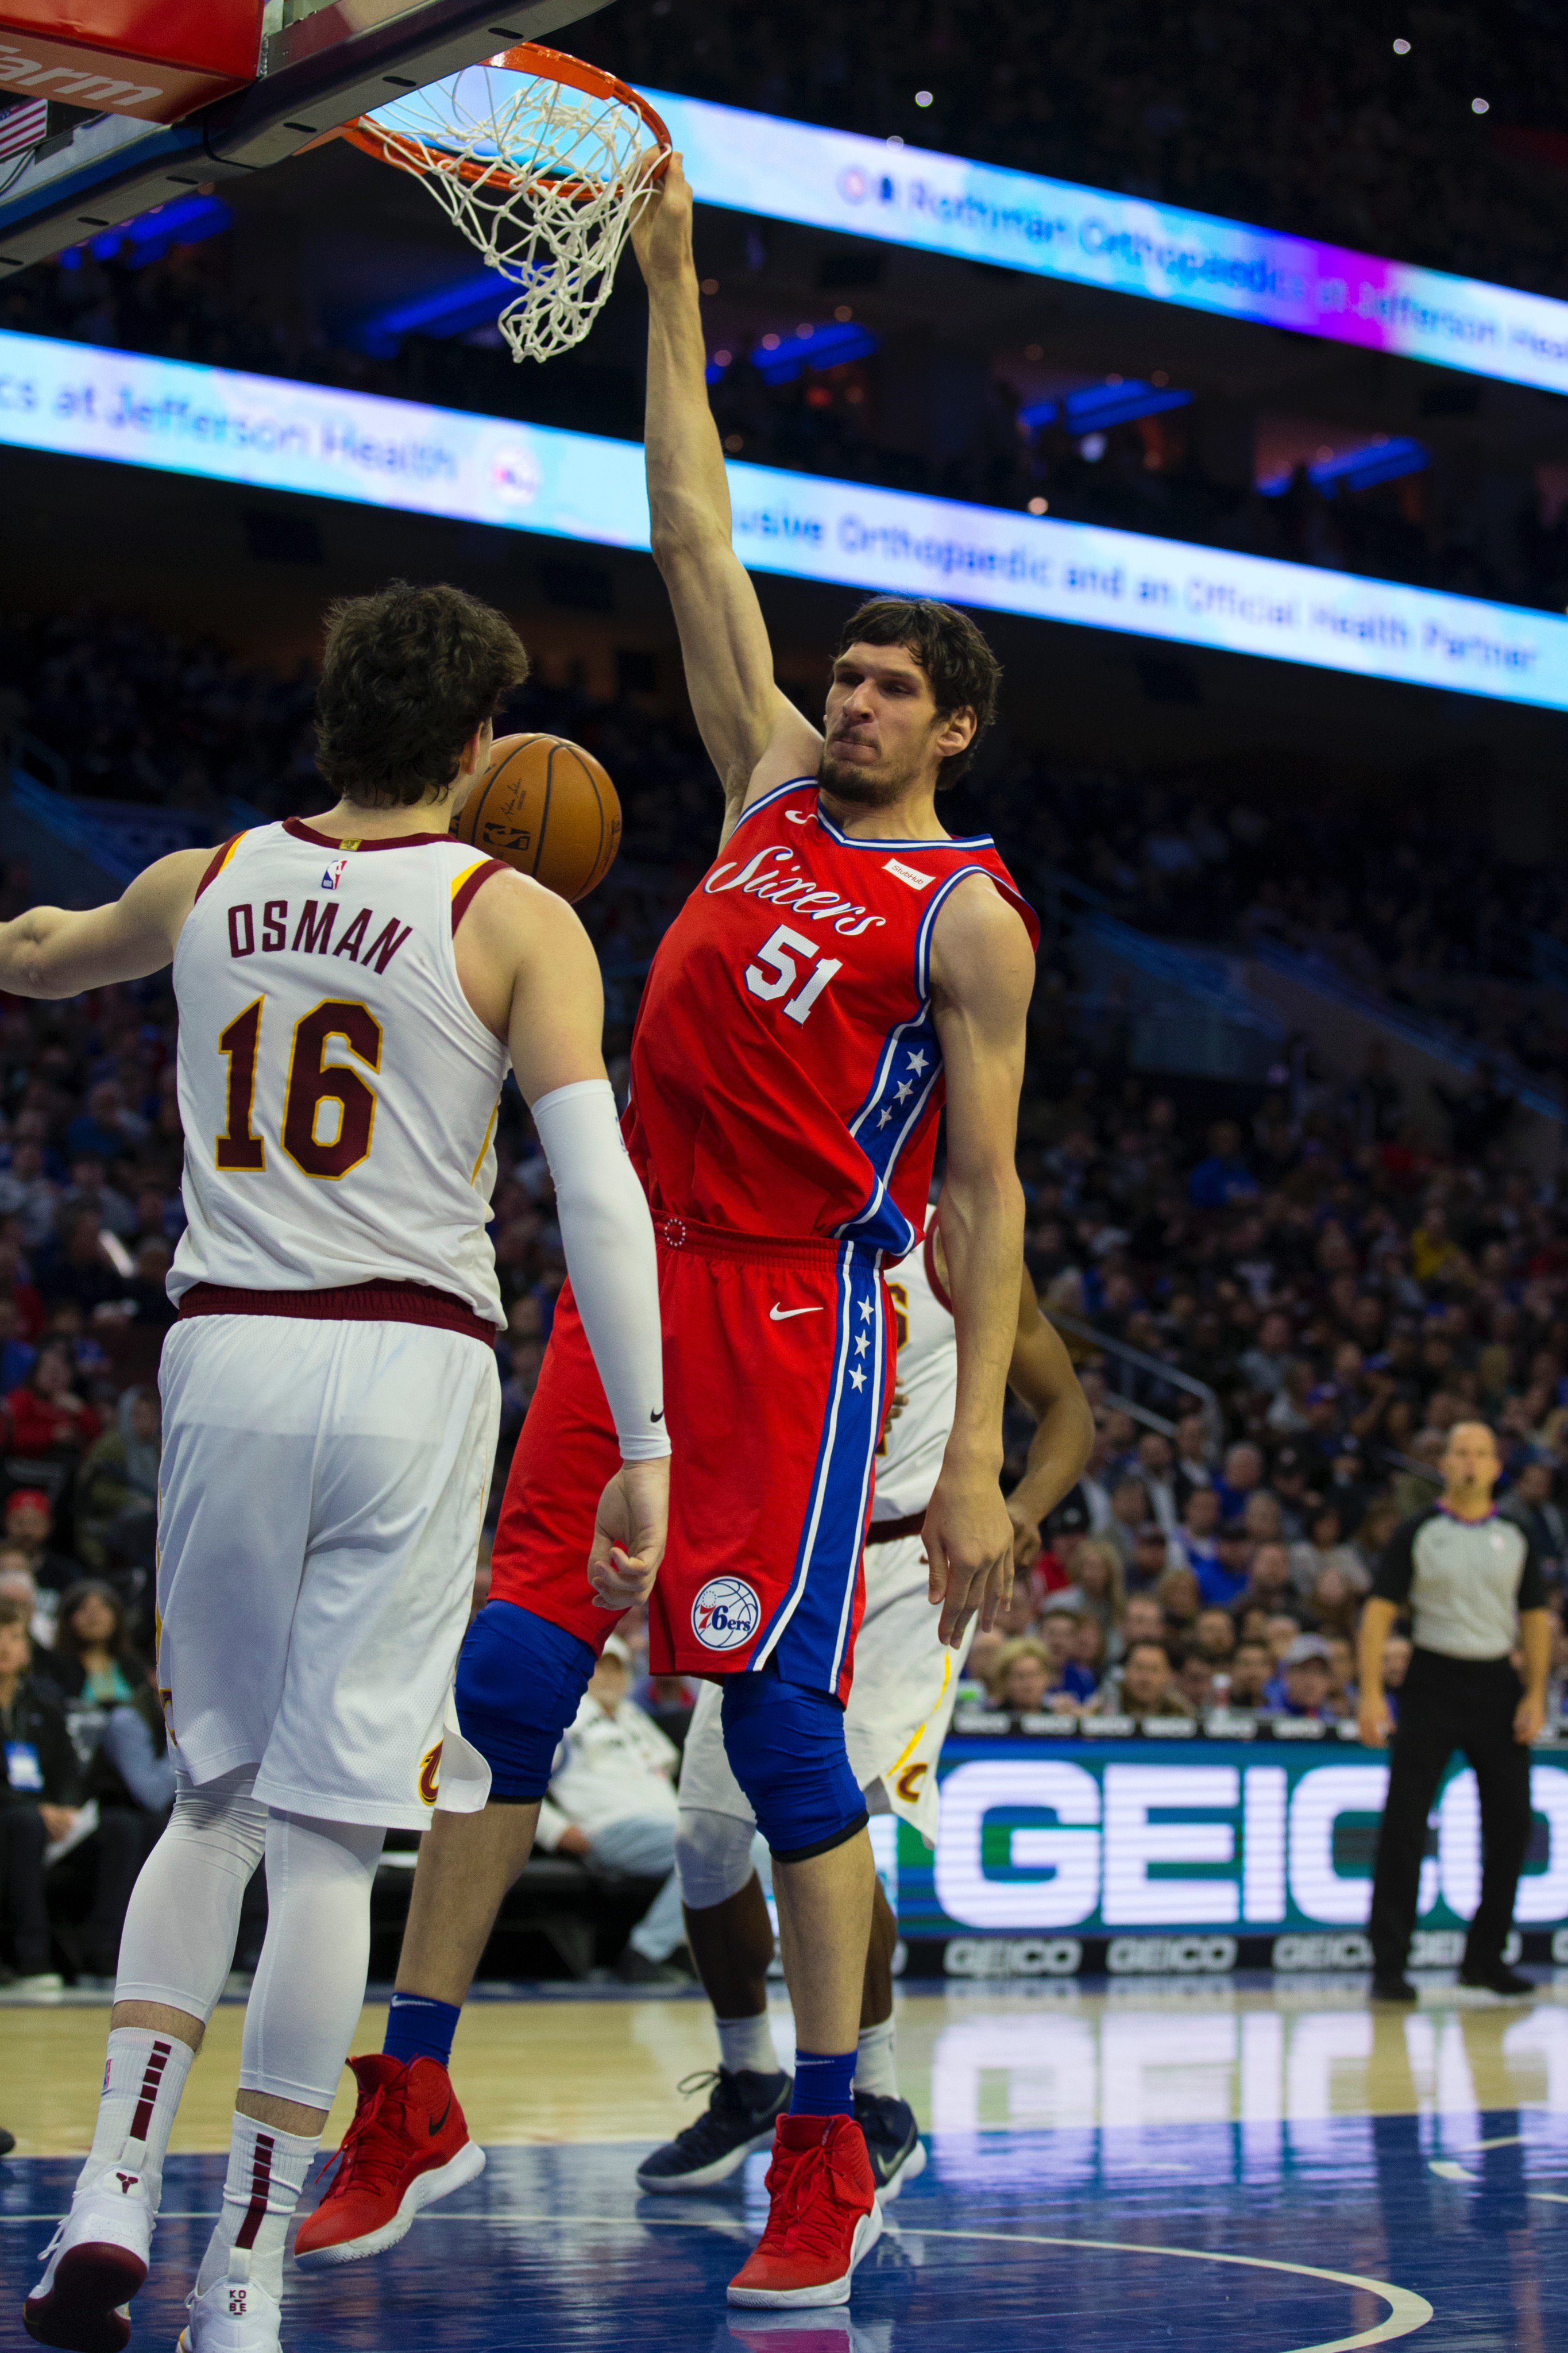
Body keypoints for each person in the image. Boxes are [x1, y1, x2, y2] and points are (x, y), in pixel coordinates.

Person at [302, 157, 1041, 2317]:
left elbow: (987, 1202)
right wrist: (676, 291)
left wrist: (977, 1453)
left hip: (804, 1316)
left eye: (896, 688)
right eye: (851, 677)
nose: (858, 702)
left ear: (959, 726)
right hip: (631, 1276)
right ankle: (414, 2090)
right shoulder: (757, 795)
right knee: (510, 1677)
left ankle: (830, 2137)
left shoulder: (967, 918)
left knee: (786, 1741)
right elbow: (694, 530)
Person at [11, 579, 668, 2353]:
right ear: (476, 750)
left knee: (205, 1806)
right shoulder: (511, 913)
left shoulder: (205, 879)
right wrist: (649, 1436)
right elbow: (596, 1194)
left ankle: (105, 2195)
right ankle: (249, 2274)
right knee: (318, 1847)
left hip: (223, 1351)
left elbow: (43, 951)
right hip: (409, 1364)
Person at [1360, 1421, 1550, 2004]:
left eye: (1481, 1452)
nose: (1470, 1461)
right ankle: (1390, 1963)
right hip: (1431, 1679)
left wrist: (1536, 1692)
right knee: (1406, 1821)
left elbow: (1537, 1619)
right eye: (1460, 1450)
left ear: (1497, 1466)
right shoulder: (1420, 1530)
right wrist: (1370, 1694)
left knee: (1513, 1822)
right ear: (1445, 1461)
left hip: (1497, 1680)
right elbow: (1377, 1614)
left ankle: (1485, 1957)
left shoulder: (1518, 1532)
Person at [533, 1634, 688, 1985]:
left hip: (668, 1827)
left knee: (743, 1844)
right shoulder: (563, 1717)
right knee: (715, 1846)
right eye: (598, 1666)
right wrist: (556, 1832)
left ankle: (719, 1955)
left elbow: (670, 1768)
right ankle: (645, 1953)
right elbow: (518, 1783)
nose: (606, 1677)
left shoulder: (635, 1720)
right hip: (612, 1829)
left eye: (615, 1668)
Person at [0, 1595, 80, 1990]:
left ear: (27, 1648)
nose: (4, 1645)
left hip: (46, 1815)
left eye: (14, 1636)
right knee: (23, 1823)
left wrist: (64, 1807)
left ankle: (103, 1959)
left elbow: (70, 1767)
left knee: (125, 1830)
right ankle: (31, 1959)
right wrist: (35, 1808)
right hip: (15, 1814)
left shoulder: (43, 1705)